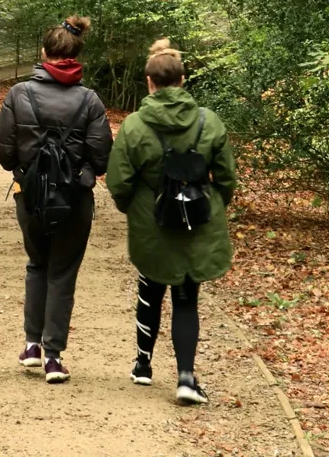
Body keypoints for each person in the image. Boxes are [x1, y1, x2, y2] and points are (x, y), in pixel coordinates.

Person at [106, 38, 237, 406]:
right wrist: (211, 206)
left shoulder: (133, 126)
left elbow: (119, 182)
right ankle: (185, 378)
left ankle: (143, 366)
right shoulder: (208, 122)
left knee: (149, 289)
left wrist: (136, 209)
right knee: (186, 298)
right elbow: (226, 178)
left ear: (149, 82)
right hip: (198, 222)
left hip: (154, 222)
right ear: (183, 80)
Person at [0, 16, 112, 384]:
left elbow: (2, 147)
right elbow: (102, 155)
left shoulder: (19, 94)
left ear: (44, 53)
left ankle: (31, 345)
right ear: (78, 55)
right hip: (74, 200)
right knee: (62, 272)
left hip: (31, 197)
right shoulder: (89, 100)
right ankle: (53, 357)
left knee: (37, 265)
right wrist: (81, 175)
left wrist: (25, 174)